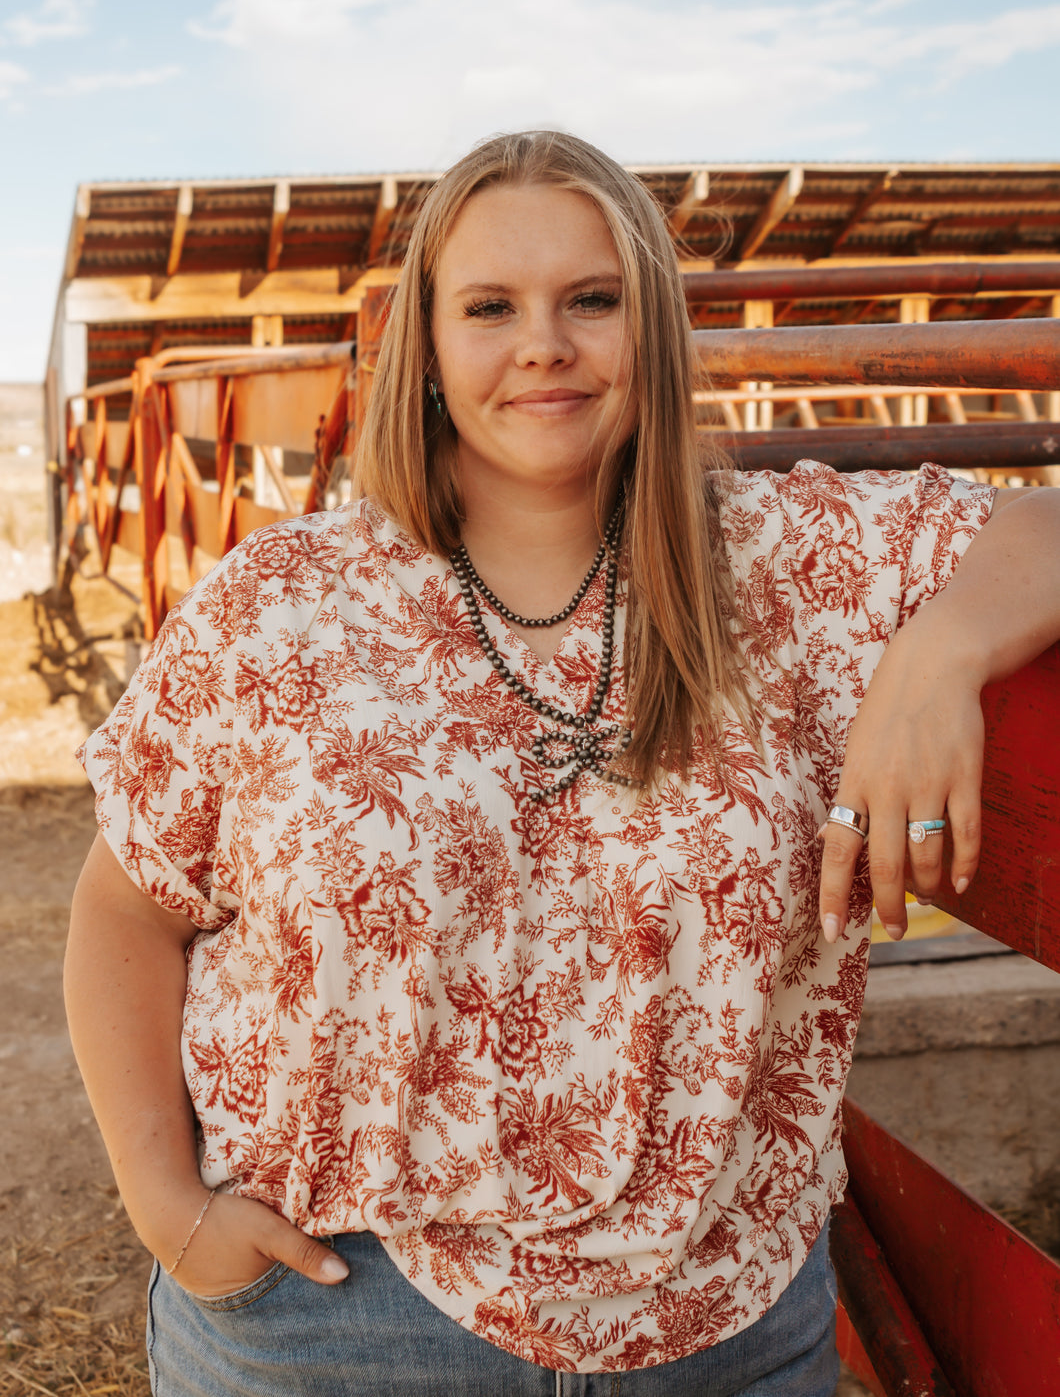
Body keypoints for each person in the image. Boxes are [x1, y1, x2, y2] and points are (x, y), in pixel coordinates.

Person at [64, 130, 1060, 1397]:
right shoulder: (284, 602)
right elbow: (126, 908)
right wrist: (167, 1205)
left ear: (652, 328)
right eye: (490, 307)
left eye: (592, 299)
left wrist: (943, 653)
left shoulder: (790, 562)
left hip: (725, 1321)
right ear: (427, 348)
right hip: (337, 1316)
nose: (543, 343)